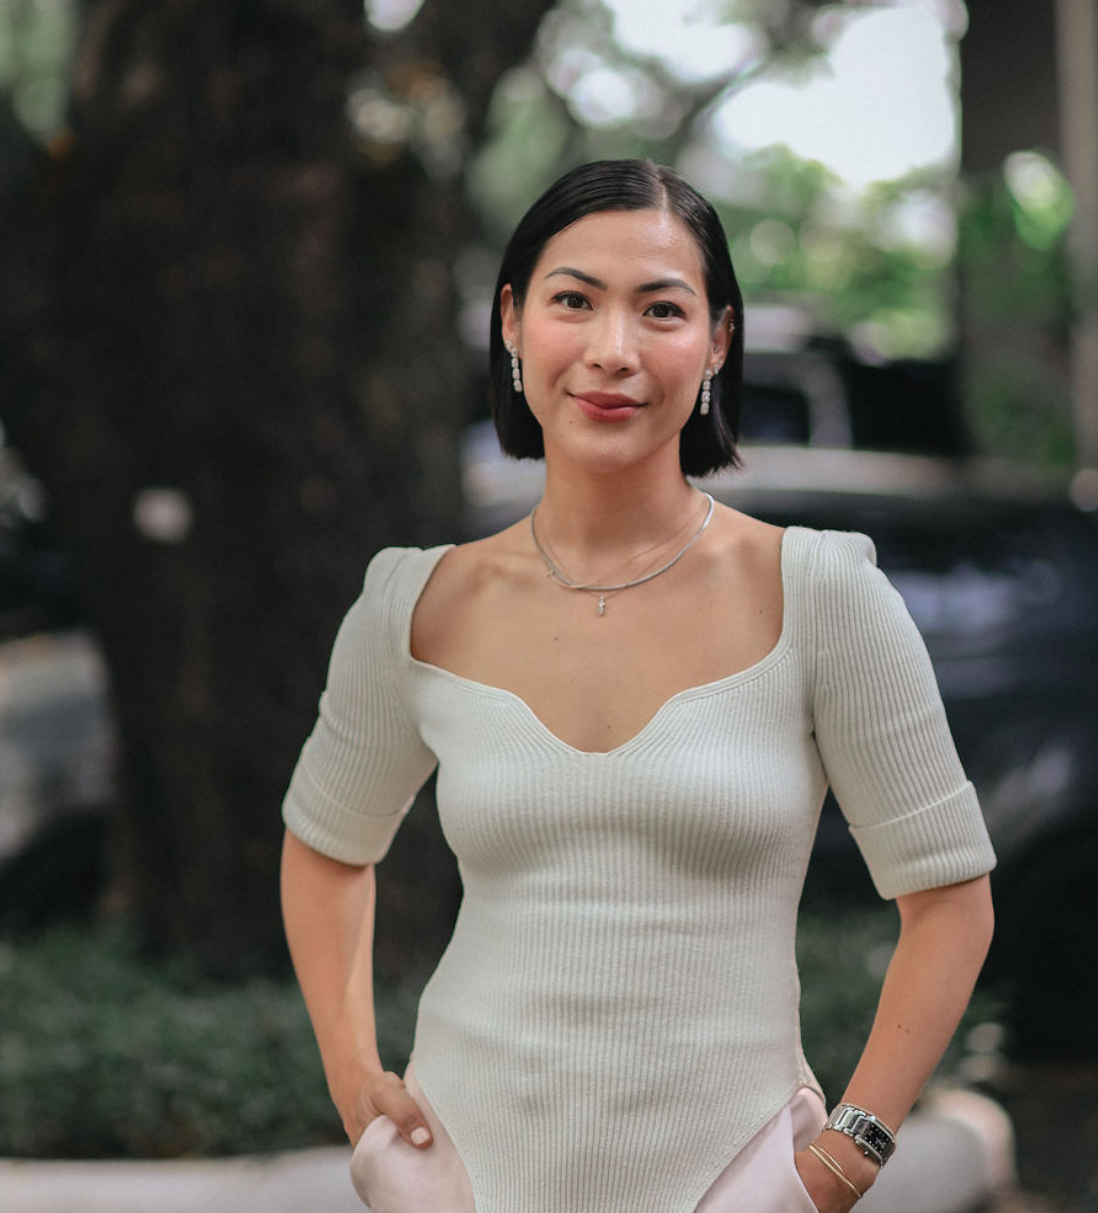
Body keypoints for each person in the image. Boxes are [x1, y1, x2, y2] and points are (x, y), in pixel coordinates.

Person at [280, 158, 995, 1213]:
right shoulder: (417, 601)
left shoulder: (821, 593)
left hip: (735, 1184)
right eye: (575, 300)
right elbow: (325, 846)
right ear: (514, 322)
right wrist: (354, 1078)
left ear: (716, 340)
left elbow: (949, 899)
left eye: (661, 308)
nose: (613, 351)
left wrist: (846, 1156)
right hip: (465, 1180)